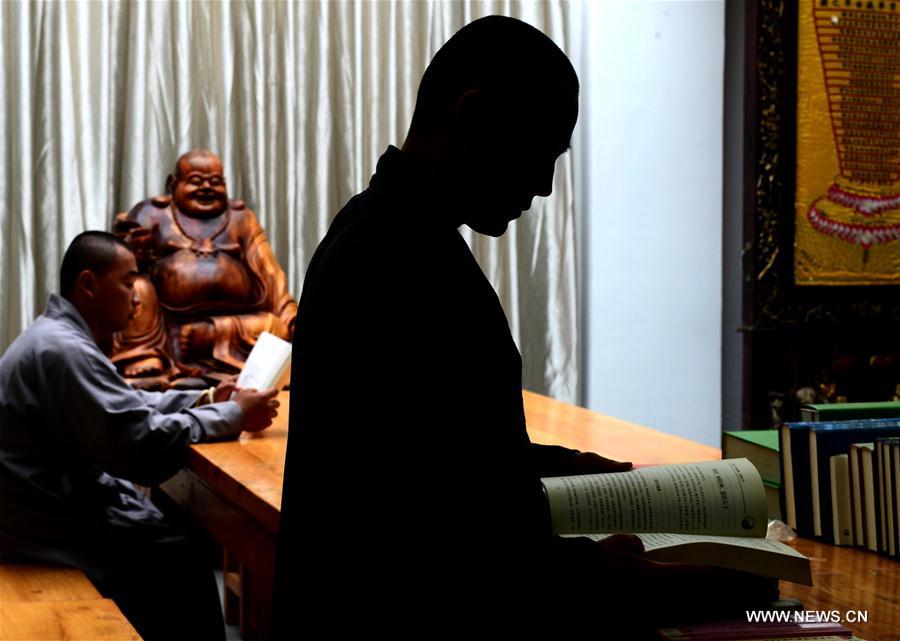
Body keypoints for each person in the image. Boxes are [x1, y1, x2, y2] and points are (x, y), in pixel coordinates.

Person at [272, 16, 776, 635]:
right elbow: (445, 548)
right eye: (542, 151)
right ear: (475, 115)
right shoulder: (400, 260)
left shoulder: (382, 230)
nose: (543, 185)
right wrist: (614, 568)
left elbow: (449, 458)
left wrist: (597, 474)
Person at [0, 231, 280, 641]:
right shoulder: (63, 349)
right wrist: (233, 415)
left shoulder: (60, 337)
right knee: (180, 557)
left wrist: (205, 399)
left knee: (169, 536)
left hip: (43, 506)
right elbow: (137, 440)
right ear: (89, 284)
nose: (137, 297)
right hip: (42, 524)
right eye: (128, 282)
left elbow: (126, 403)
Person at [111, 149, 298, 390]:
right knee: (136, 287)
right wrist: (135, 247)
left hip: (236, 325)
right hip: (166, 327)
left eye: (215, 182)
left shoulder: (242, 219)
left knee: (275, 327)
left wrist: (292, 317)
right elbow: (126, 265)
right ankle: (142, 356)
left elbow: (271, 275)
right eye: (196, 181)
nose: (207, 188)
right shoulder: (153, 214)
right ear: (172, 184)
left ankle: (208, 336)